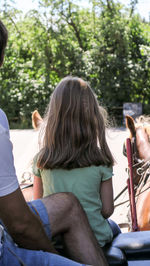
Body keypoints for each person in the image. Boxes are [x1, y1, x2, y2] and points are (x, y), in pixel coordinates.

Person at [0, 20, 108, 266]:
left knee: (67, 203)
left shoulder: (41, 160)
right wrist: (54, 258)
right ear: (2, 59)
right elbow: (20, 225)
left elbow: (35, 199)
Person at [33, 76, 115, 247]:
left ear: (55, 117)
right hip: (95, 241)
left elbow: (39, 205)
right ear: (92, 115)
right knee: (115, 228)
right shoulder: (101, 160)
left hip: (58, 242)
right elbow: (107, 210)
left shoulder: (42, 160)